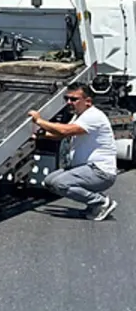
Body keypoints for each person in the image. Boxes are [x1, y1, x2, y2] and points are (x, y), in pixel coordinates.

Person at [29, 84, 119, 221]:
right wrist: (42, 135)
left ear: (88, 101)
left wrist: (39, 121)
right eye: (67, 98)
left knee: (60, 183)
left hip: (100, 172)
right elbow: (62, 135)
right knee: (50, 181)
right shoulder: (80, 116)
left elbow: (65, 130)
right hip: (85, 168)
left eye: (74, 99)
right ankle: (94, 204)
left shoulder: (93, 116)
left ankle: (101, 202)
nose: (69, 102)